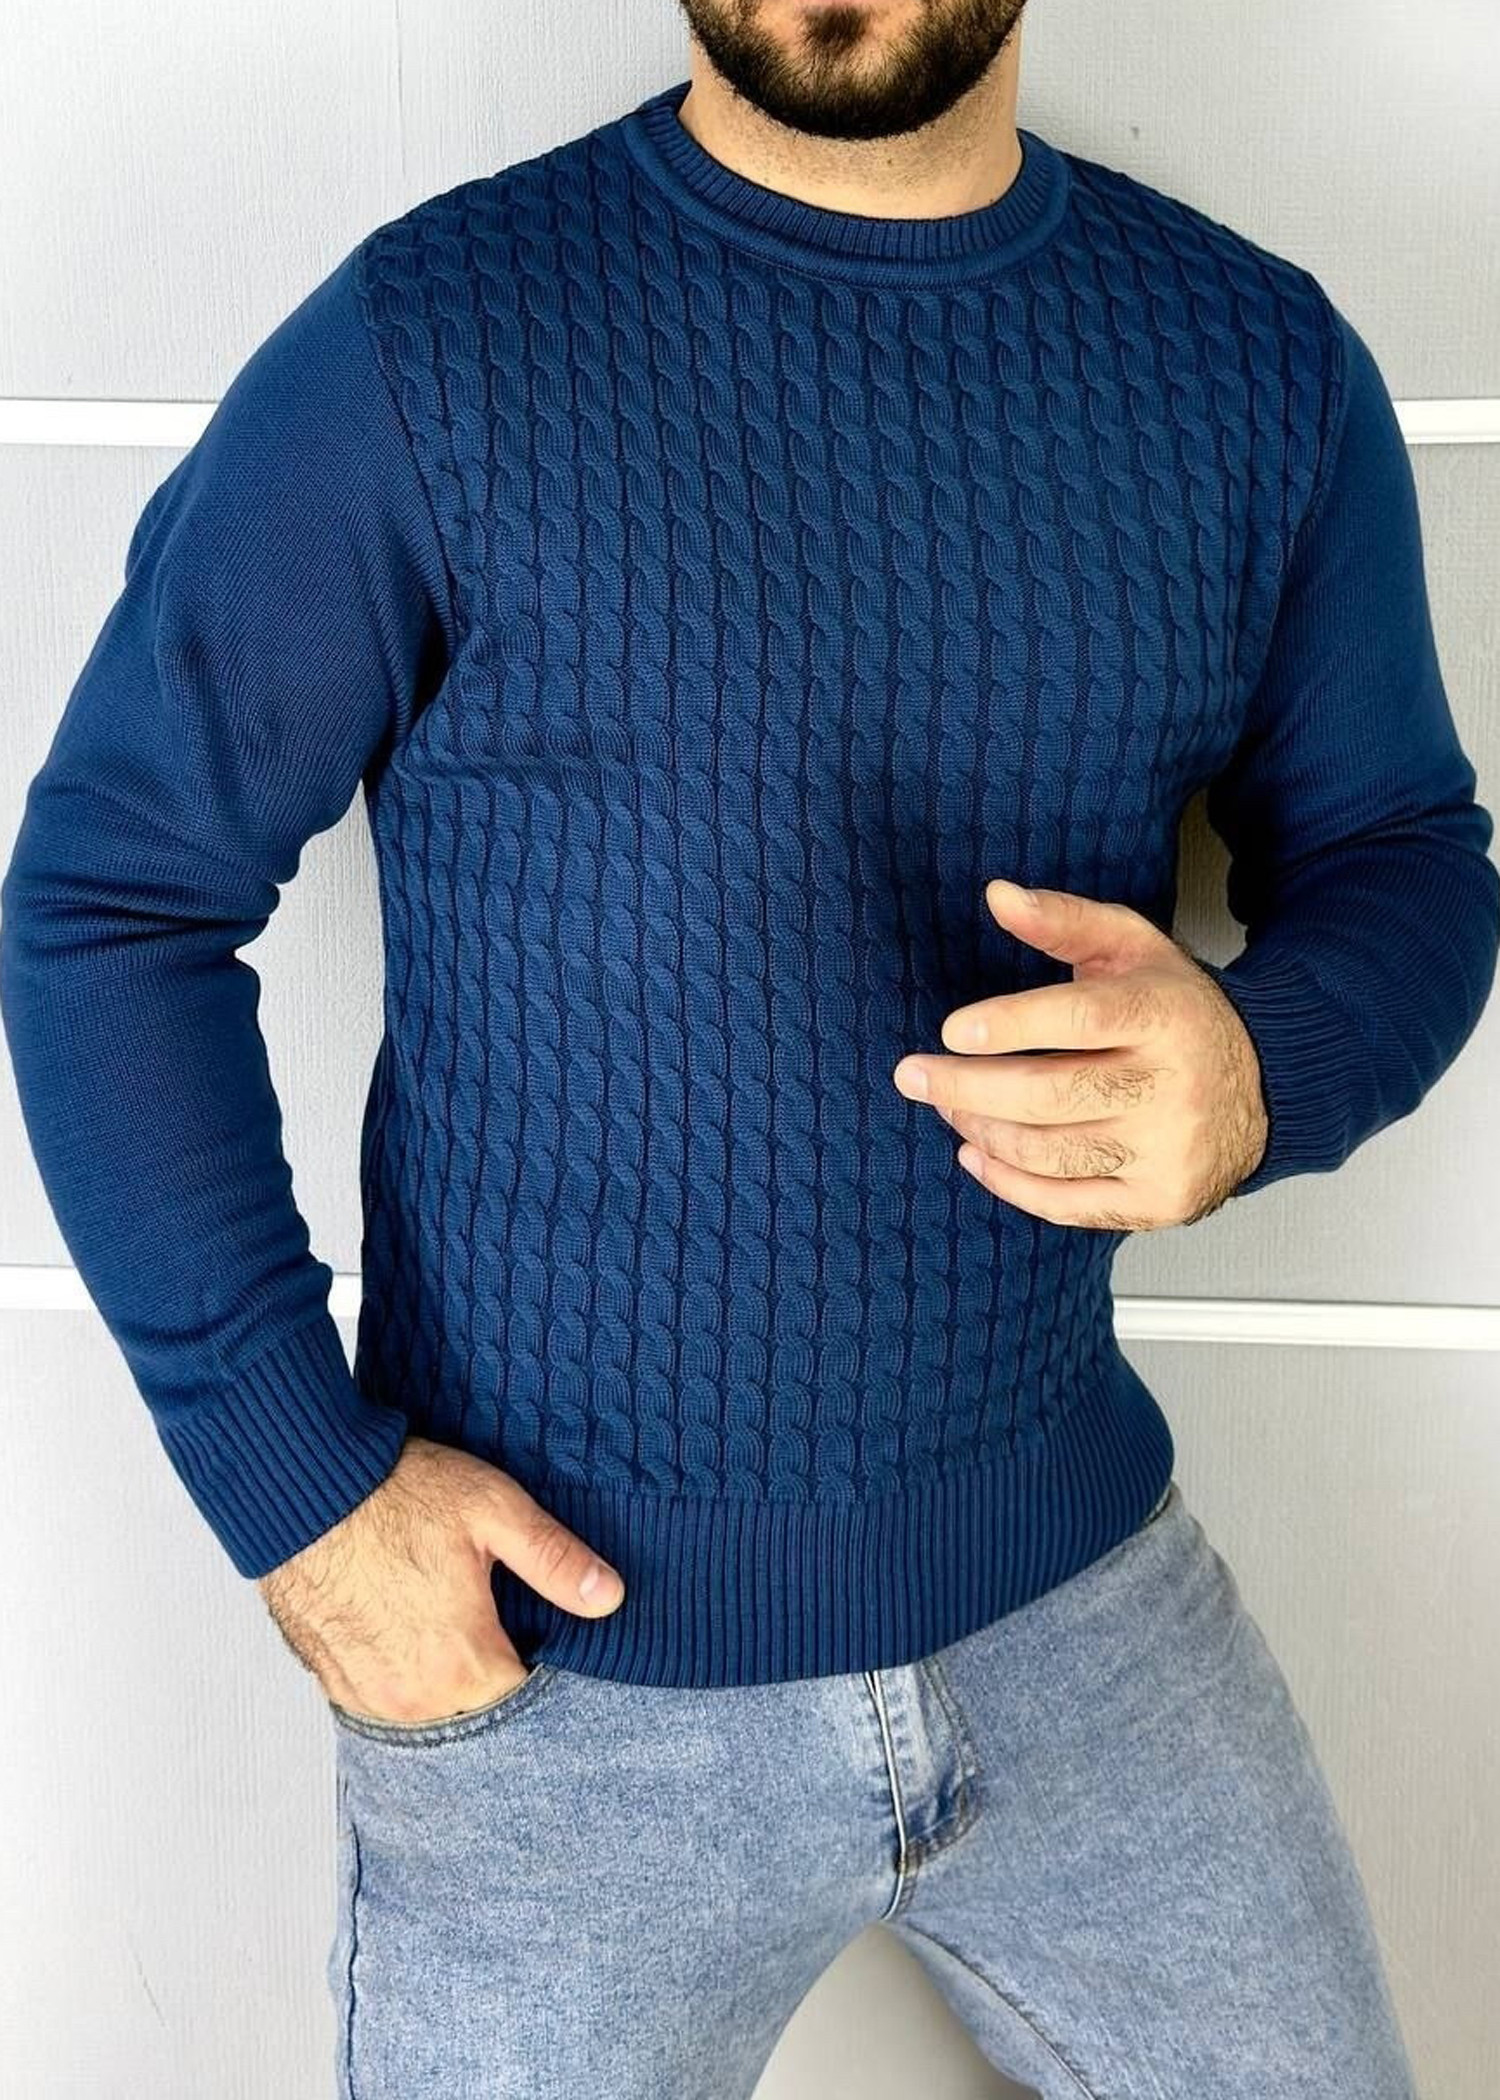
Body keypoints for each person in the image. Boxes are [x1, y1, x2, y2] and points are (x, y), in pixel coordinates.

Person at [3, 3, 1494, 2094]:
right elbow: (114, 898)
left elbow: (1406, 856)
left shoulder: (1258, 368)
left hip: (1087, 1611)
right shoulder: (429, 349)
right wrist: (301, 1500)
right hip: (554, 1684)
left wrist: (1262, 1067)